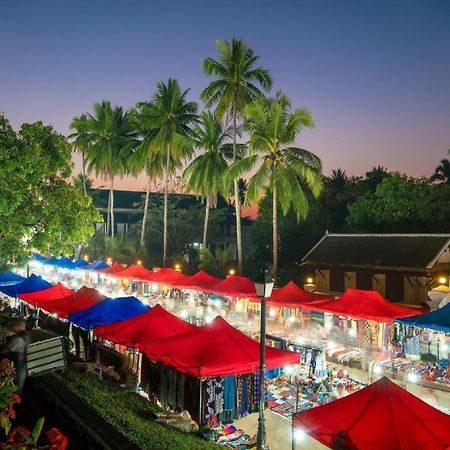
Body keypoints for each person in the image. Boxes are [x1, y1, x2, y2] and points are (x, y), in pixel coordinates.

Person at [0, 318, 30, 395]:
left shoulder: (19, 339)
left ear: (18, 326)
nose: (10, 326)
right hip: (20, 365)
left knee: (13, 389)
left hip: (17, 367)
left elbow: (4, 350)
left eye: (12, 324)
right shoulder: (24, 335)